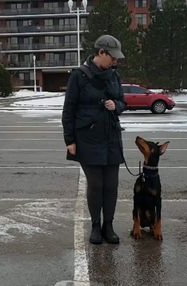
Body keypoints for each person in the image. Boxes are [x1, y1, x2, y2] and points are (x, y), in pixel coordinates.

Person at [62, 35, 126, 244]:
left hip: (111, 137)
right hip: (88, 138)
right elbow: (69, 109)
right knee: (96, 185)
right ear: (101, 53)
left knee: (111, 186)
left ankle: (109, 225)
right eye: (112, 57)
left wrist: (116, 106)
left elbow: (123, 102)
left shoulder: (114, 76)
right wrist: (69, 140)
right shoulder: (79, 76)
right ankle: (96, 227)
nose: (115, 61)